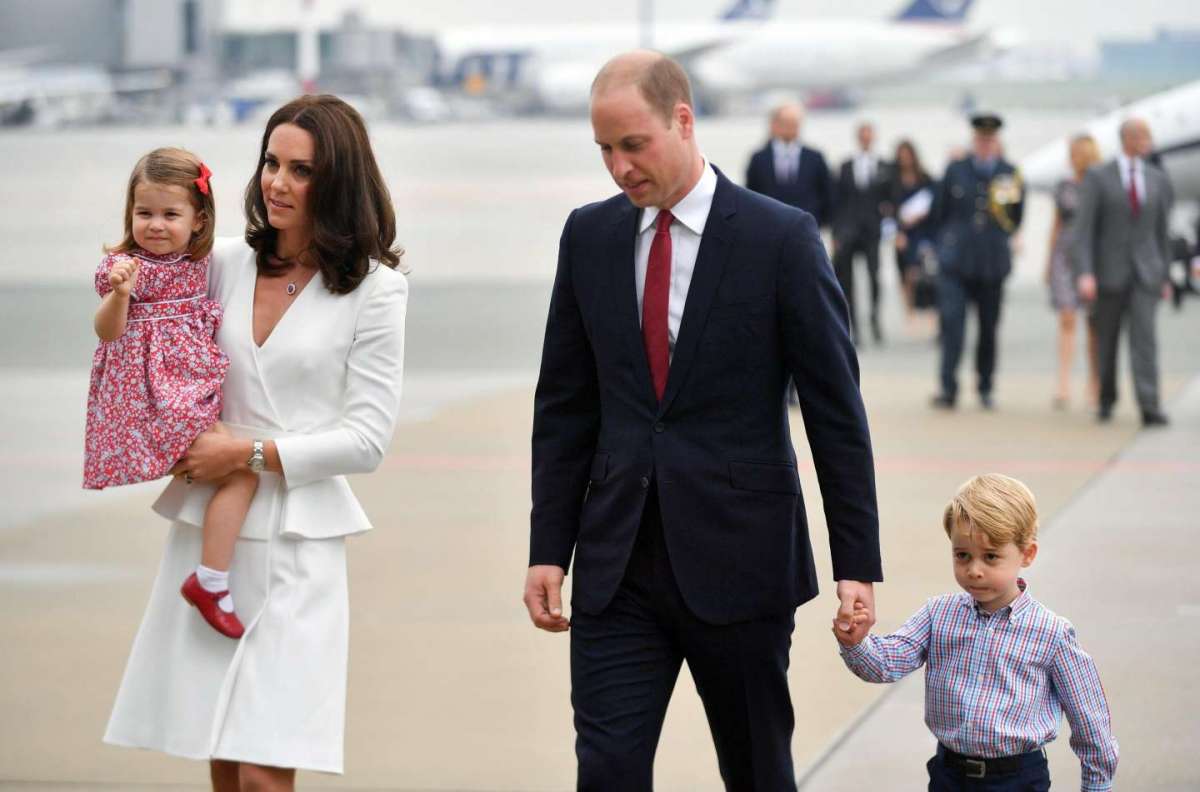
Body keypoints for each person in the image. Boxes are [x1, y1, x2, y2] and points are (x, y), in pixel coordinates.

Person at [526, 51, 882, 791]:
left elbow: (835, 412)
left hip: (741, 562)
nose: (618, 168)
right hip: (617, 563)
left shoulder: (779, 237)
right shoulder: (588, 236)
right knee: (608, 770)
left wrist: (857, 563)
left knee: (756, 772)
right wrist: (547, 547)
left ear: (682, 121)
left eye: (633, 145)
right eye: (604, 149)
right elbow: (565, 406)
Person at [104, 95, 408, 791]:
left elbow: (366, 439)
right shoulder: (223, 263)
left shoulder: (377, 291)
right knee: (221, 750)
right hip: (212, 539)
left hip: (301, 543)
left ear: (336, 182)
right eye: (271, 162)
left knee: (265, 769)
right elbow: (149, 334)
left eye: (300, 170)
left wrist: (246, 456)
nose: (276, 181)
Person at [833, 474, 1118, 791]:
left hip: (1018, 779)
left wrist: (1097, 785)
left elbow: (1090, 720)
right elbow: (885, 664)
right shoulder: (938, 615)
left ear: (1027, 554)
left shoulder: (1051, 633)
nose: (974, 569)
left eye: (991, 556)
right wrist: (856, 642)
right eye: (962, 555)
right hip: (949, 775)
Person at [86, 148, 258, 640]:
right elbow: (107, 333)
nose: (155, 225)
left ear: (197, 219)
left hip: (188, 389)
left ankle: (211, 577)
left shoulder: (199, 264)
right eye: (144, 214)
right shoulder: (123, 268)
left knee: (235, 471)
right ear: (129, 215)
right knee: (244, 471)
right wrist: (119, 294)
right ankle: (211, 581)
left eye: (170, 214)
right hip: (156, 397)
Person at [1072, 117, 1173, 426]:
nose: (1148, 141)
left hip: (1146, 273)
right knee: (1107, 339)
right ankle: (1106, 397)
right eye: (1142, 136)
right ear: (1127, 139)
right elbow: (1084, 230)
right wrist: (1085, 272)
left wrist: (1165, 274)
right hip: (1108, 273)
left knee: (1145, 339)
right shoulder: (1098, 177)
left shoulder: (1157, 178)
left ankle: (1149, 403)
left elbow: (1161, 232)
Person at [930, 113, 1024, 410]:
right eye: (981, 140)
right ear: (974, 141)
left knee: (988, 329)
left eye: (990, 140)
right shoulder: (956, 170)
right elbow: (939, 213)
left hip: (991, 263)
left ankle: (985, 386)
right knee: (953, 326)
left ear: (997, 143)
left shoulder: (1008, 174)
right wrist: (941, 248)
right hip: (956, 262)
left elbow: (1015, 219)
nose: (985, 145)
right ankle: (948, 386)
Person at [1045, 134, 1101, 410]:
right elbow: (1056, 224)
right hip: (1064, 257)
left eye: (1080, 152)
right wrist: (1048, 260)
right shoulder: (1064, 186)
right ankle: (1064, 381)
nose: (1075, 157)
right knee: (1067, 316)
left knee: (1093, 323)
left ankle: (1094, 381)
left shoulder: (1100, 185)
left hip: (1091, 257)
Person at [833, 121, 891, 344]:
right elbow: (838, 201)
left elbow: (891, 198)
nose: (866, 139)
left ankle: (874, 318)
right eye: (863, 135)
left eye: (869, 135)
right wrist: (837, 233)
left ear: (873, 138)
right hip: (848, 231)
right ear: (858, 138)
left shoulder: (884, 166)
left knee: (875, 276)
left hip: (872, 231)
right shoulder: (846, 166)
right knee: (847, 281)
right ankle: (853, 325)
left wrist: (890, 223)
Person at [745, 101, 834, 228]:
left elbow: (827, 193)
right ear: (773, 124)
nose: (790, 127)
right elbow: (751, 195)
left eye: (794, 123)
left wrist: (822, 223)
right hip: (769, 227)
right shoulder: (759, 159)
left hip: (807, 228)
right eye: (785, 122)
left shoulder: (815, 157)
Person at [888, 139, 937, 327]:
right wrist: (894, 233)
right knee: (904, 272)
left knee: (923, 271)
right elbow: (886, 209)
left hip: (922, 231)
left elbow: (935, 200)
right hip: (902, 233)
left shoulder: (925, 177)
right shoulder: (892, 180)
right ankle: (908, 311)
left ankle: (926, 309)